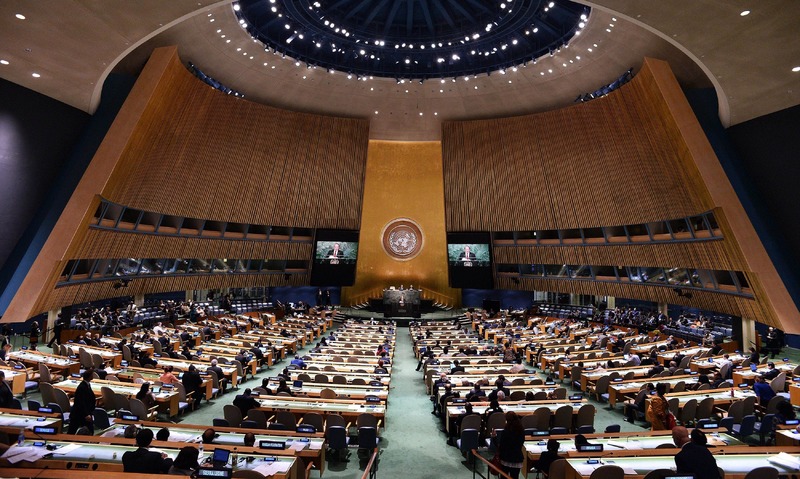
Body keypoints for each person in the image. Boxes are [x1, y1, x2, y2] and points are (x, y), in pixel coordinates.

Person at [495, 411, 525, 478]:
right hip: (517, 458)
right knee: (515, 477)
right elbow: (521, 443)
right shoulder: (521, 431)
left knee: (503, 477)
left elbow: (501, 446)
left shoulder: (505, 432)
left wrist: (494, 438)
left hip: (506, 458)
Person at [68, 369, 96, 434]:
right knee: (71, 431)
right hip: (79, 414)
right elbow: (81, 403)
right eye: (92, 375)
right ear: (89, 376)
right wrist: (86, 414)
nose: (93, 376)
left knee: (90, 430)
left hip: (85, 412)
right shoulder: (82, 387)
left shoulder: (87, 385)